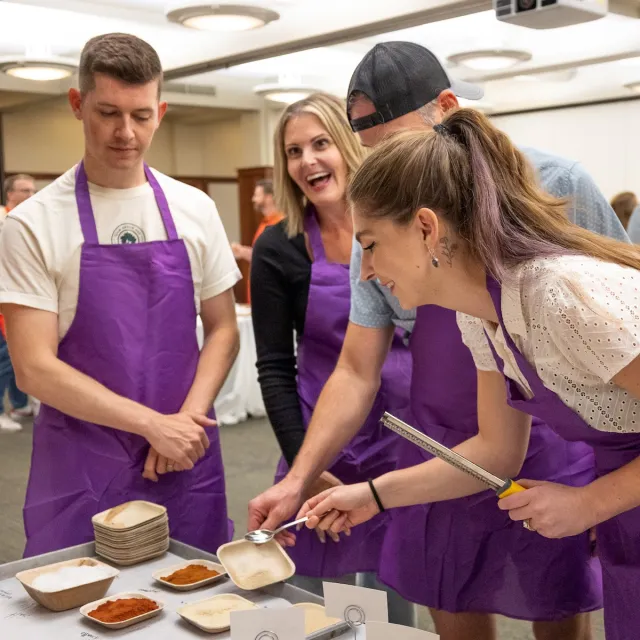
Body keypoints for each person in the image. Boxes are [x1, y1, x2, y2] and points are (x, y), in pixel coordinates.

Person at [248, 42, 617, 640]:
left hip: (564, 439)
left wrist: (603, 493)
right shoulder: (478, 317)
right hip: (450, 449)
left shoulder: (554, 227)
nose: (368, 271)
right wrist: (308, 477)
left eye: (395, 149)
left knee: (559, 603)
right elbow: (359, 372)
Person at [0, 33, 240, 557]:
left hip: (183, 457)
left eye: (141, 115)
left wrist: (186, 423)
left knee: (196, 609)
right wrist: (151, 424)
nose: (125, 132)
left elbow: (223, 327)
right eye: (108, 112)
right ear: (77, 103)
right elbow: (33, 368)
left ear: (161, 110)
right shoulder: (33, 224)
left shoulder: (194, 208)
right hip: (83, 465)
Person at [250, 92, 414, 624]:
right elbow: (274, 367)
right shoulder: (280, 247)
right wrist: (308, 466)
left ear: (348, 144)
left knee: (392, 597)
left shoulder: (404, 225)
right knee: (319, 602)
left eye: (321, 143)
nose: (309, 161)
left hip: (404, 439)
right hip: (322, 439)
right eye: (294, 151)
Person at [0, 174, 38, 427]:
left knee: (19, 354)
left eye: (34, 190)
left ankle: (21, 404)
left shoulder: (32, 220)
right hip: (3, 297)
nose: (31, 195)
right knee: (3, 356)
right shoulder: (3, 220)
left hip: (25, 297)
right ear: (10, 194)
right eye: (24, 190)